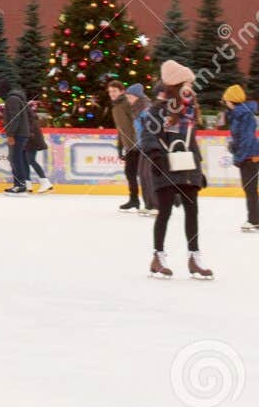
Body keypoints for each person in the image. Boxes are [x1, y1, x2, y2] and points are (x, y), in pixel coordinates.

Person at [139, 60, 212, 279]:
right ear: (174, 85)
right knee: (165, 212)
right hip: (165, 167)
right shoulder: (156, 110)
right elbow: (147, 136)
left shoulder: (189, 112)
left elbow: (191, 142)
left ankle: (194, 258)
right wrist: (156, 157)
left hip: (187, 168)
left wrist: (199, 168)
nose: (190, 86)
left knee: (192, 212)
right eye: (186, 82)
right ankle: (158, 257)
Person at [221, 84, 258, 232]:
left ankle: (254, 220)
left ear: (232, 100)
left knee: (250, 189)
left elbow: (246, 139)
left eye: (226, 100)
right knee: (249, 189)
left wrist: (239, 157)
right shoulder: (238, 114)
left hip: (250, 156)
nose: (225, 102)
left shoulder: (245, 115)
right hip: (246, 155)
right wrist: (233, 146)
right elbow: (239, 138)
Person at [108, 80, 145, 212]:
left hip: (138, 146)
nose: (112, 94)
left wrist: (138, 142)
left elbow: (137, 123)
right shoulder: (115, 107)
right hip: (129, 146)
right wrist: (120, 147)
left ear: (122, 91)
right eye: (110, 91)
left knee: (144, 174)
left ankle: (155, 201)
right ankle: (134, 200)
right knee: (130, 173)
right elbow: (121, 129)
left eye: (114, 91)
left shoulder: (127, 104)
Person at [1, 84, 32, 195]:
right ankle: (20, 184)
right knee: (19, 159)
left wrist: (10, 134)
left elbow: (15, 118)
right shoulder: (17, 98)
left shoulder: (12, 99)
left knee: (15, 159)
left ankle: (20, 186)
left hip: (18, 134)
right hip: (21, 133)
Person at [24, 95, 53, 193]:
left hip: (32, 141)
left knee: (30, 160)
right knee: (27, 161)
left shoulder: (29, 116)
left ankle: (45, 182)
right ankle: (28, 184)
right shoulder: (30, 115)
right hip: (31, 140)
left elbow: (31, 129)